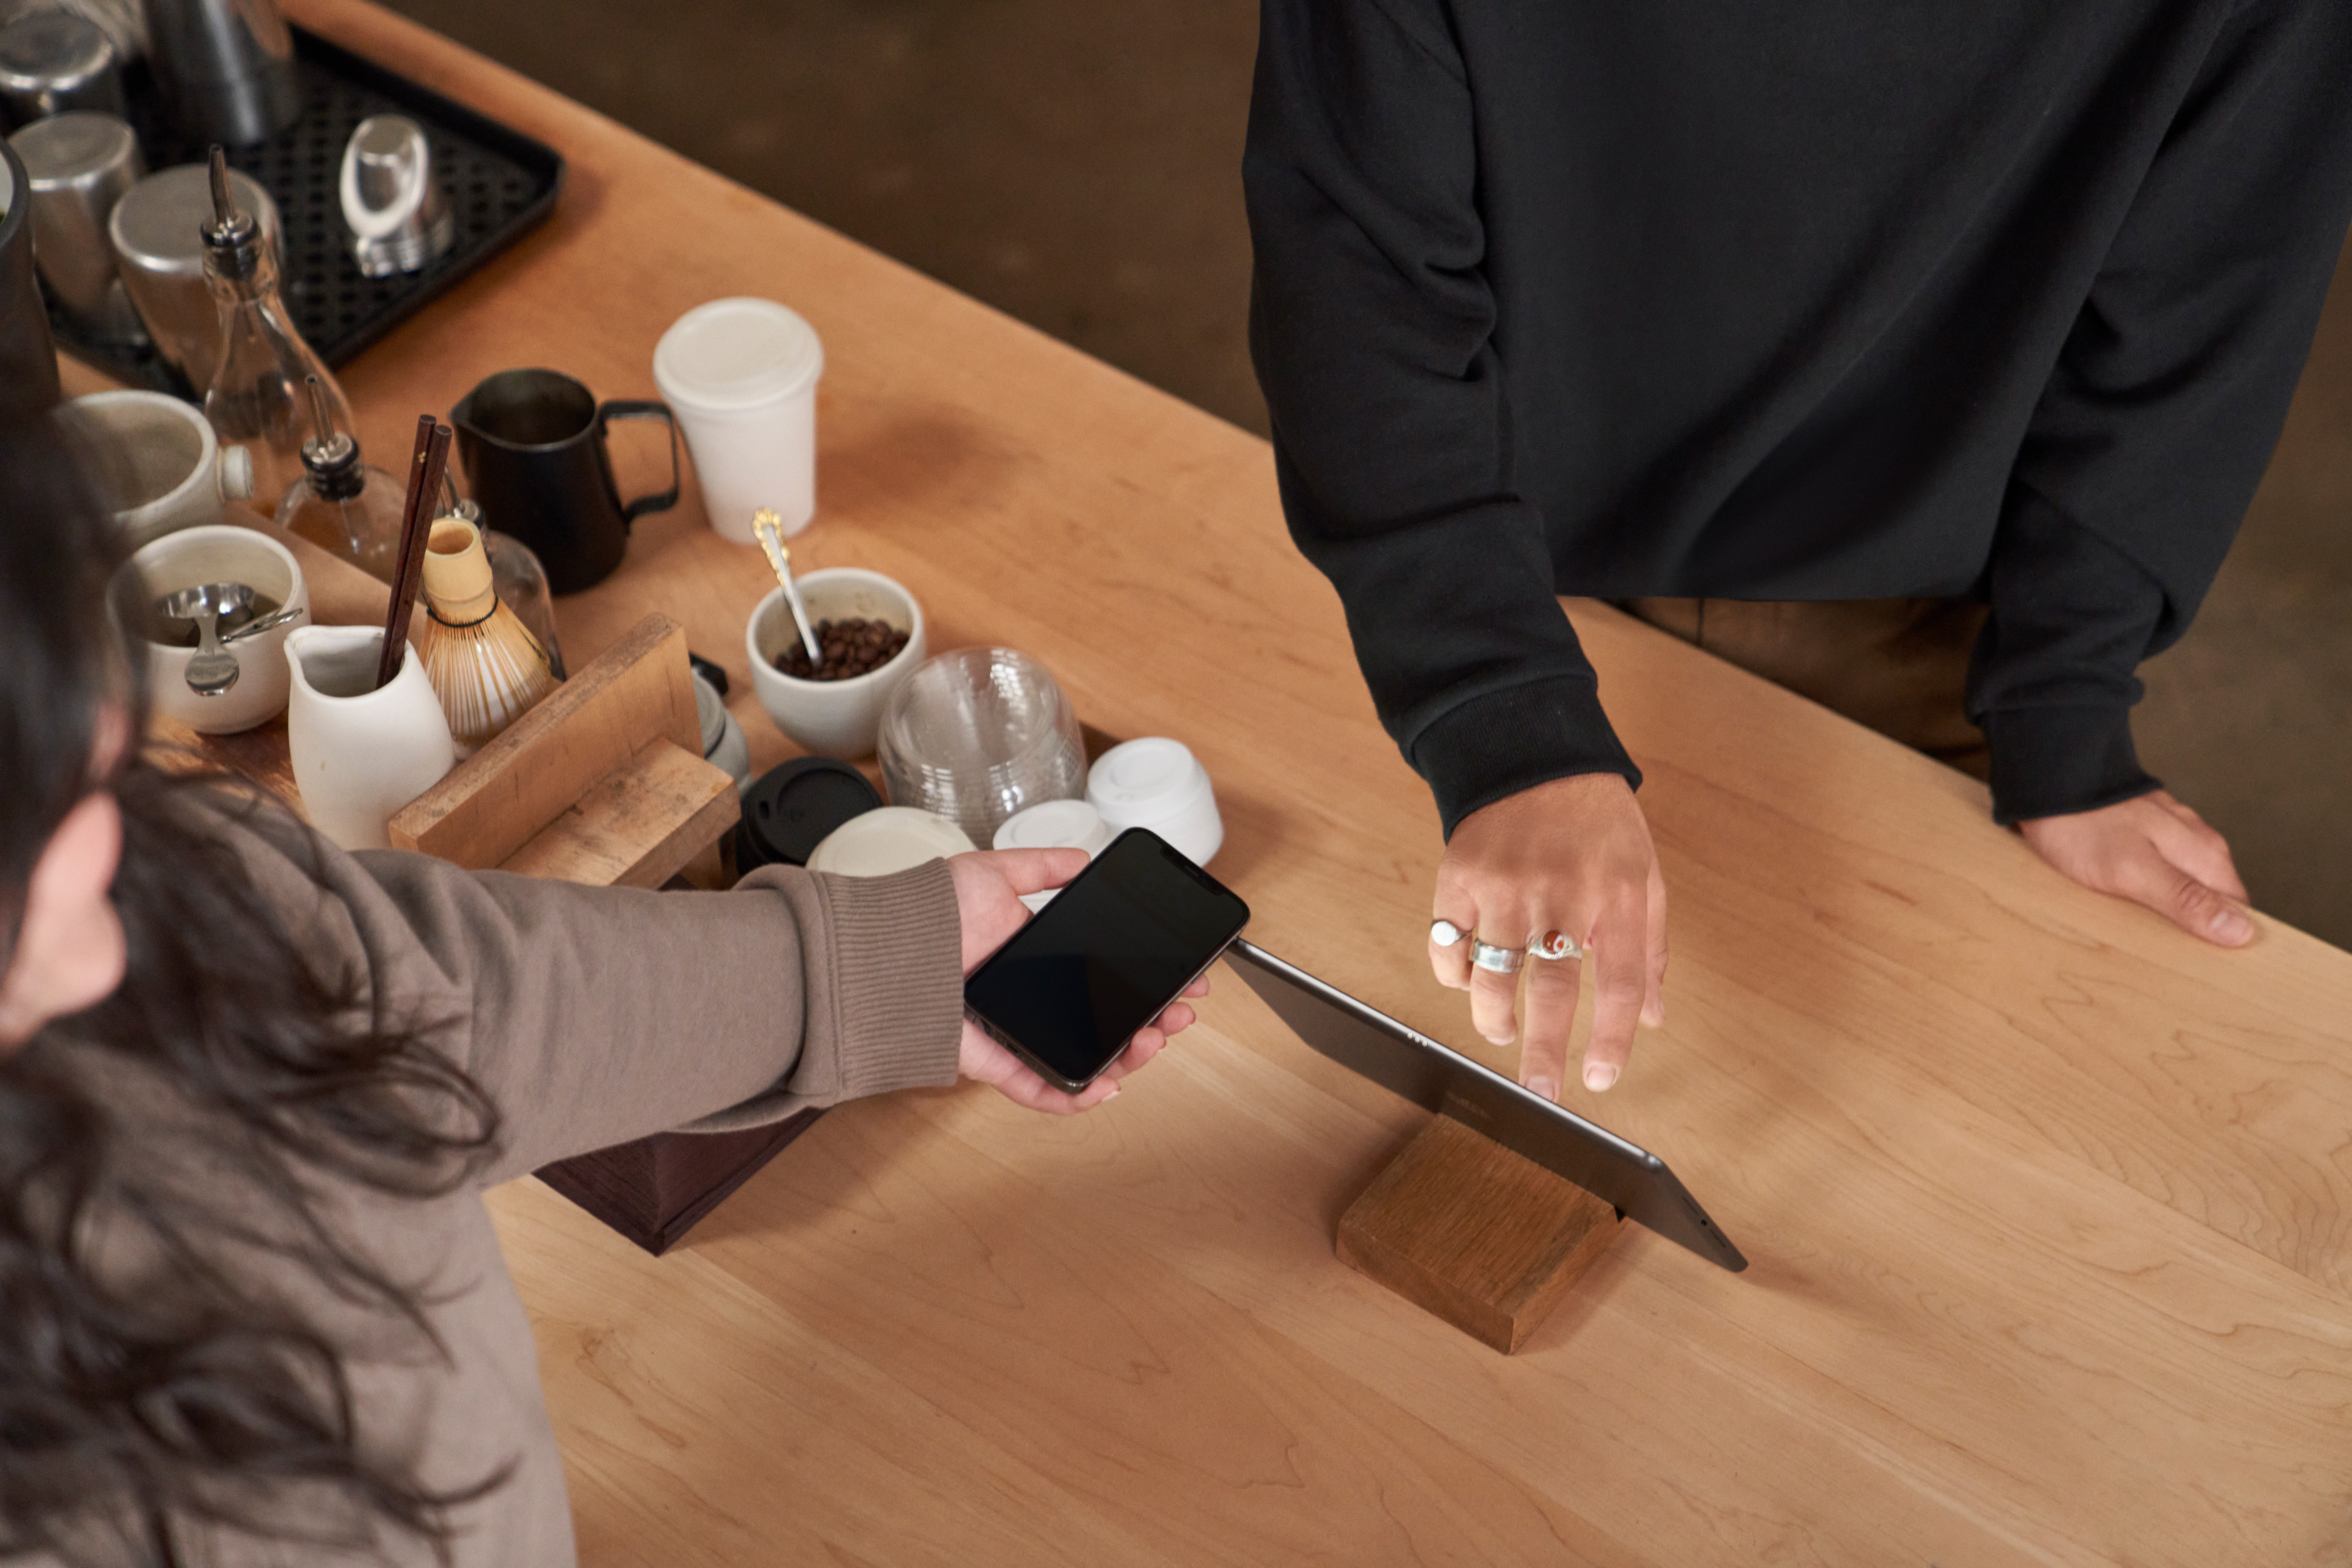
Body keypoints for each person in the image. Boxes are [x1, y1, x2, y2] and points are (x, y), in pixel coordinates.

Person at [0, 416, 1203, 1565]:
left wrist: (878, 967)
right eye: (35, 773)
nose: (114, 754)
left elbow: (443, 992)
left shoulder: (152, 894)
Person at [1243, 0, 2352, 1100]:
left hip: (1918, 613)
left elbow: (2204, 291)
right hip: (1483, 550)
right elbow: (1359, 275)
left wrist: (2066, 706)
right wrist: (1496, 712)